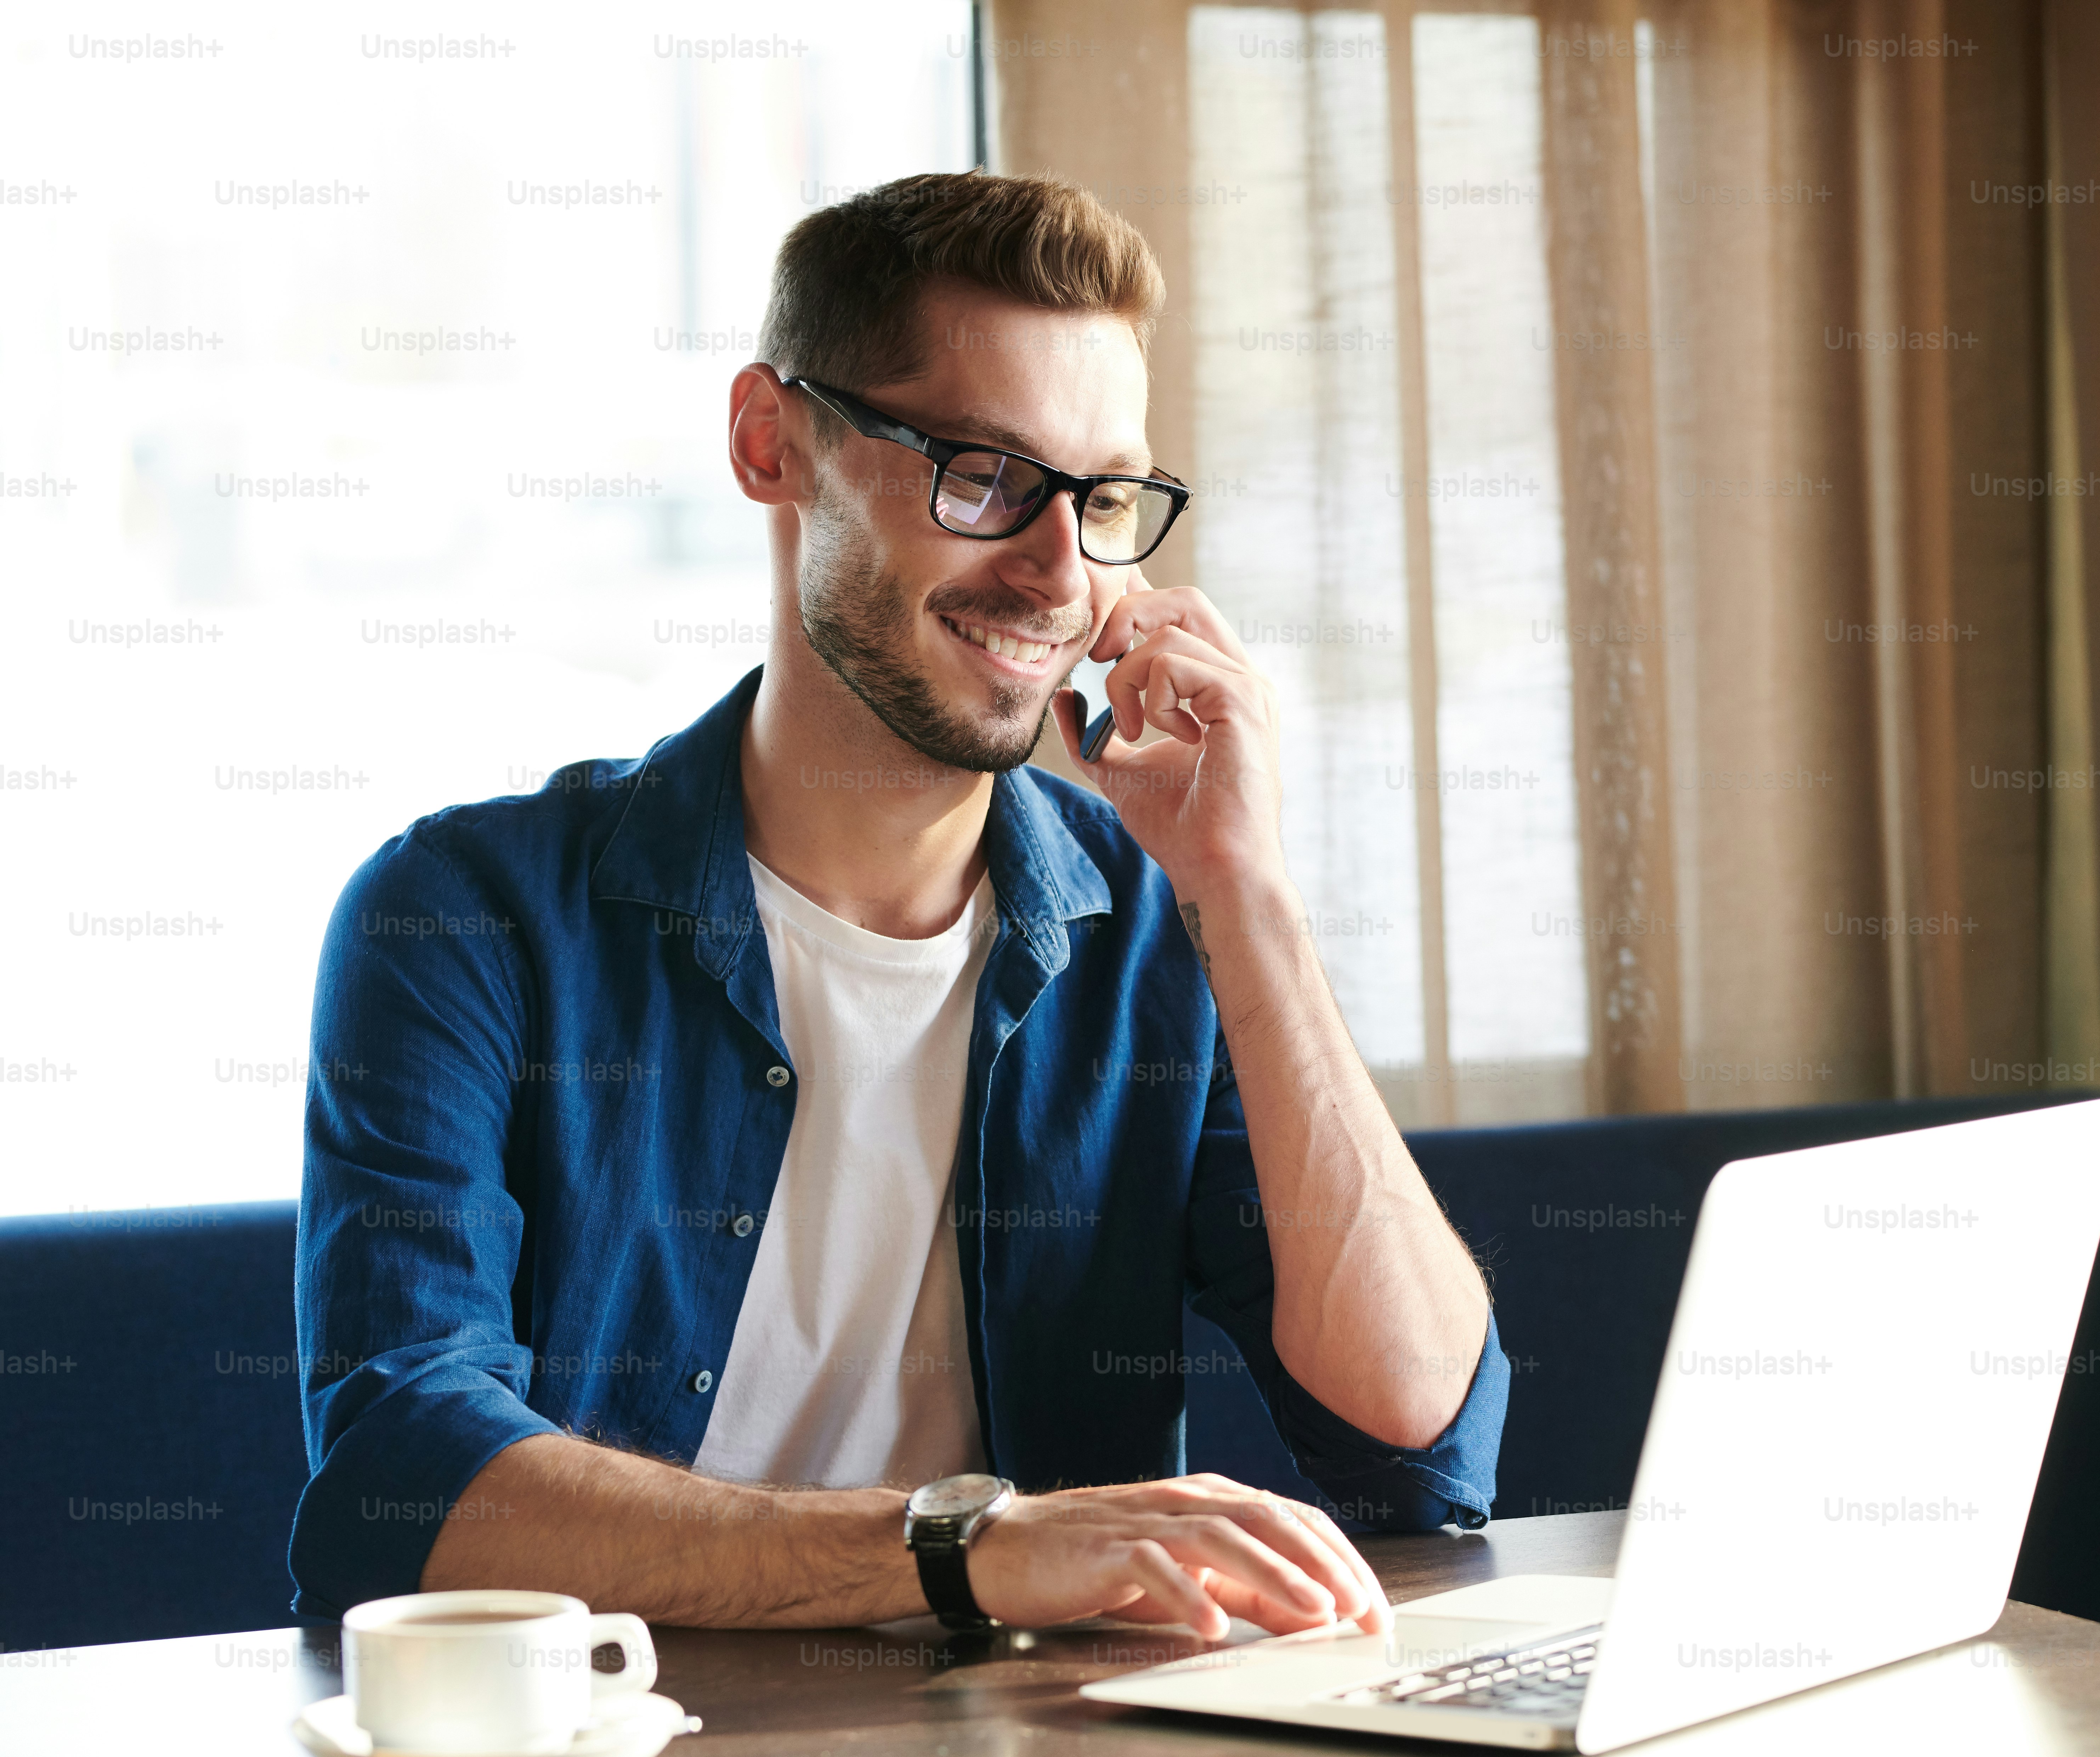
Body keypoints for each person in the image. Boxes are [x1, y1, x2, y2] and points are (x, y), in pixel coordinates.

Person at [290, 172, 1505, 1641]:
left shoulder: (1153, 925)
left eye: (1105, 497)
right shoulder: (466, 919)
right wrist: (961, 1548)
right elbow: (399, 1483)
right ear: (771, 443)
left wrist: (1247, 894)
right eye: (984, 473)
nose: (1062, 567)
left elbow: (1417, 1439)